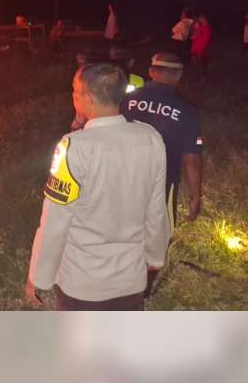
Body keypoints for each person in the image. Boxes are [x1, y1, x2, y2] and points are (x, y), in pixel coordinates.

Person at [27, 63, 170, 311]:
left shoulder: (73, 147)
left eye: (74, 91)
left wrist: (39, 276)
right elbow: (157, 208)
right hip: (131, 279)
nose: (72, 96)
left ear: (88, 99)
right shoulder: (151, 138)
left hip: (82, 283)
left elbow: (55, 220)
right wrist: (156, 256)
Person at [122, 51, 203, 227]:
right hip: (163, 181)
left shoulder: (125, 100)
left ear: (151, 72)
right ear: (179, 75)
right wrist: (195, 196)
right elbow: (192, 159)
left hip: (122, 175)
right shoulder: (186, 111)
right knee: (159, 234)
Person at [191, 14, 212, 81]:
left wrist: (200, 52)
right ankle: (197, 77)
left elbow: (205, 42)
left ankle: (203, 79)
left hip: (202, 51)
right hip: (195, 49)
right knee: (196, 65)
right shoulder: (200, 27)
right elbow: (193, 37)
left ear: (204, 19)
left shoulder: (207, 28)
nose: (199, 20)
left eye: (200, 18)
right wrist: (195, 29)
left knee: (202, 65)